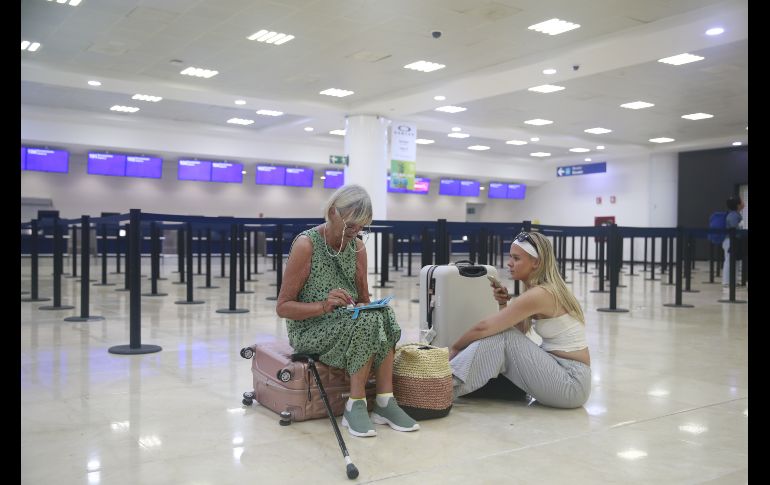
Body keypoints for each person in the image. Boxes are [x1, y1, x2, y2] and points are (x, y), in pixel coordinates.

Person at [276, 184, 419, 437]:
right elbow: (283, 307)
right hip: (310, 328)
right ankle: (356, 403)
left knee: (383, 314)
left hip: (345, 323)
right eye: (351, 225)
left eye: (362, 227)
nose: (355, 232)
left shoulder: (357, 247)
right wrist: (323, 306)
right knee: (367, 323)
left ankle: (385, 401)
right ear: (333, 213)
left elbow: (364, 299)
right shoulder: (307, 245)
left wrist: (365, 306)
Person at [449, 231, 591, 409]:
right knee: (503, 336)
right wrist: (503, 304)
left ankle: (440, 386)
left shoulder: (540, 294)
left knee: (502, 336)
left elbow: (484, 328)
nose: (509, 263)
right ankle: (446, 383)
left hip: (571, 383)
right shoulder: (543, 290)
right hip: (563, 373)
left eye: (516, 258)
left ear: (536, 262)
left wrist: (455, 348)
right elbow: (519, 331)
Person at [722, 195, 745, 286]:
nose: (744, 202)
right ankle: (727, 282)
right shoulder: (733, 215)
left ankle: (733, 281)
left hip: (734, 241)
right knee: (729, 260)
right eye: (742, 201)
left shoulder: (736, 214)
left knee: (735, 261)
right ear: (738, 205)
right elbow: (734, 229)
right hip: (729, 241)